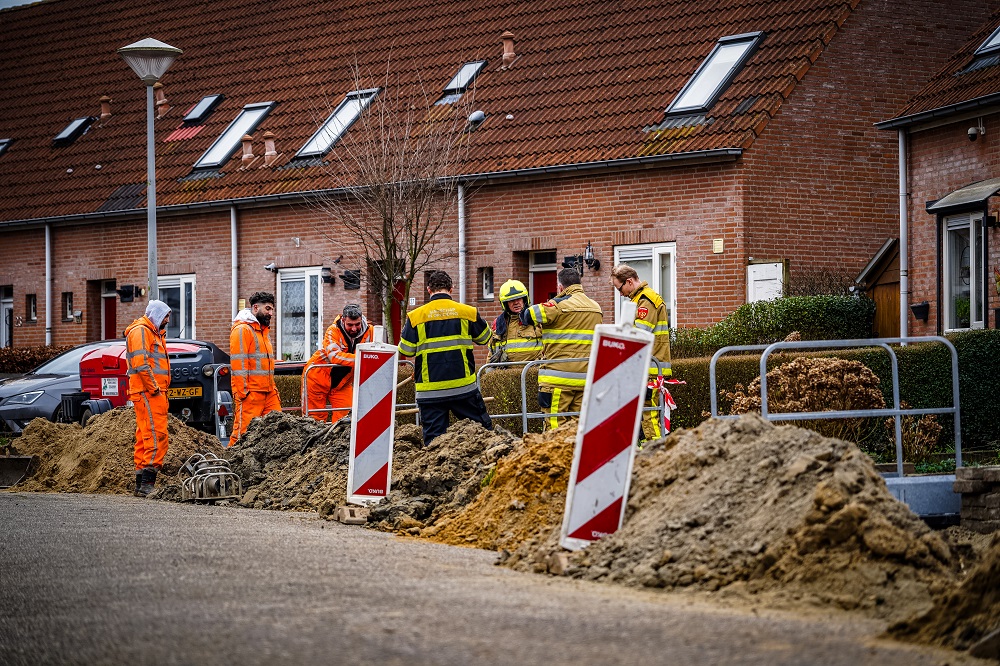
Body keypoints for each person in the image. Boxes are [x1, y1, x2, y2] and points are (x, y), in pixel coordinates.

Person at [398, 270, 493, 445]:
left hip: (430, 390)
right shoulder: (467, 312)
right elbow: (485, 337)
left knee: (434, 442)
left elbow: (407, 350)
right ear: (451, 288)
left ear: (428, 290)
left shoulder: (415, 317)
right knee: (482, 435)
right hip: (463, 387)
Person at [520, 267, 602, 430]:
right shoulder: (596, 307)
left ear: (560, 287)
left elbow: (526, 316)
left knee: (555, 428)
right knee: (579, 427)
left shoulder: (556, 306)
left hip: (558, 380)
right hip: (585, 379)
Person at [611, 263, 672, 439]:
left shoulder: (646, 300)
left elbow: (639, 336)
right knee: (645, 415)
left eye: (619, 288)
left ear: (629, 281)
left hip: (650, 369)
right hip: (646, 368)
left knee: (649, 416)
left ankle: (655, 455)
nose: (620, 294)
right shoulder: (639, 300)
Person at [124, 300, 172, 497]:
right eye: (166, 316)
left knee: (145, 437)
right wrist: (154, 389)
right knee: (156, 435)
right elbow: (142, 365)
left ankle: (141, 484)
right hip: (149, 392)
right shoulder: (142, 331)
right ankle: (147, 484)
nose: (168, 320)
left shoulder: (150, 332)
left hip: (148, 392)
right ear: (157, 315)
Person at [302, 304, 374, 422]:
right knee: (314, 420)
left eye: (357, 324)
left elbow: (378, 353)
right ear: (343, 320)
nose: (354, 329)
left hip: (342, 384)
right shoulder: (332, 331)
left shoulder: (370, 331)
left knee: (346, 419)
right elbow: (334, 356)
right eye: (350, 325)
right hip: (316, 379)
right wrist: (364, 360)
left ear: (362, 320)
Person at [230, 291, 281, 442]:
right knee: (243, 435)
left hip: (267, 391)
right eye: (267, 309)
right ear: (255, 308)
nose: (271, 313)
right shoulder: (243, 330)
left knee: (278, 430)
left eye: (272, 309)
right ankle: (231, 463)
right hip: (251, 393)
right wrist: (243, 392)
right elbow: (239, 364)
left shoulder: (261, 331)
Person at [489, 279, 542, 363]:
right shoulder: (499, 323)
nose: (516, 303)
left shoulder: (536, 319)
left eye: (519, 299)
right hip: (507, 373)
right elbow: (491, 352)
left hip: (532, 371)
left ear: (524, 299)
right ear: (505, 304)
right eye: (511, 300)